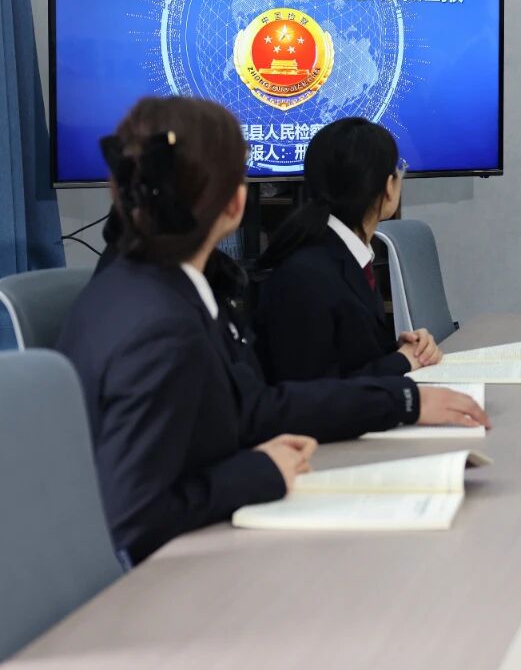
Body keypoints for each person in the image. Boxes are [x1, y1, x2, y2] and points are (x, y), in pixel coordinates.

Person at [60, 98, 487, 565]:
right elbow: (133, 518)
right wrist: (259, 472)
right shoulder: (162, 325)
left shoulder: (159, 283)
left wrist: (404, 402)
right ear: (235, 202)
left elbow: (255, 406)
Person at [255, 118, 443, 383]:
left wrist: (399, 350)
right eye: (398, 171)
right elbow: (311, 391)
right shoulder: (305, 274)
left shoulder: (348, 254)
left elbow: (348, 357)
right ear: (387, 187)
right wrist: (401, 361)